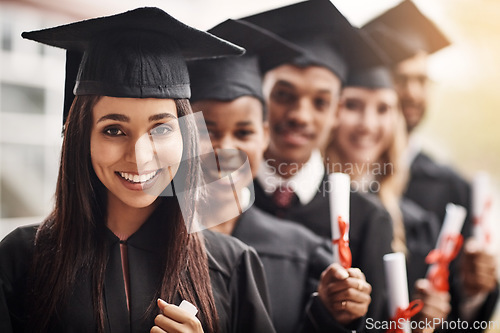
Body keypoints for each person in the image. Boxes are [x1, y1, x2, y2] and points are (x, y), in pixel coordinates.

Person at [0, 8, 276, 333]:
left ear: (187, 135)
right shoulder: (22, 259)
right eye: (114, 130)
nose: (140, 156)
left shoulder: (232, 265)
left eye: (161, 129)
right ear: (81, 137)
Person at [188, 18, 372, 333]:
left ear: (263, 135)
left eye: (243, 132)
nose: (226, 147)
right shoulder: (144, 239)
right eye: (208, 130)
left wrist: (330, 314)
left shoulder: (304, 253)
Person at [240, 0, 394, 328]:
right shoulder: (224, 198)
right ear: (260, 97)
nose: (300, 115)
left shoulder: (367, 219)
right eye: (284, 95)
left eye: (320, 102)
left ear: (338, 112)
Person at [363, 1, 498, 331]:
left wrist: (475, 291)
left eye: (422, 80)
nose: (412, 92)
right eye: (401, 78)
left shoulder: (452, 186)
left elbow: (463, 315)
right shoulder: (344, 176)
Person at [324, 47, 447, 330]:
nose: (368, 125)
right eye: (352, 105)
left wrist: (425, 323)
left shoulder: (415, 223)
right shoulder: (303, 209)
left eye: (383, 109)